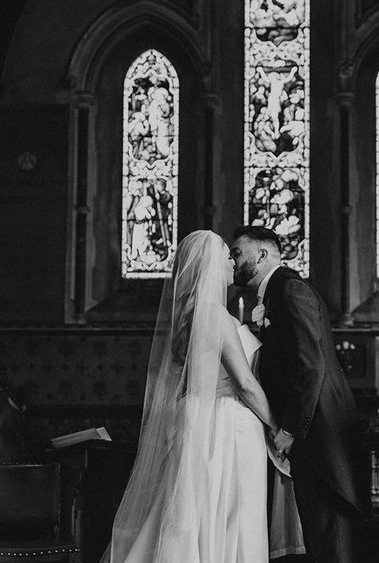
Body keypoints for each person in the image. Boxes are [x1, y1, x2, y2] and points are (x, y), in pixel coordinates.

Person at [102, 230, 279, 562]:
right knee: (228, 516)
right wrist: (277, 425)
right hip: (225, 426)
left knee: (190, 512)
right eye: (228, 255)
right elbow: (244, 383)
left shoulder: (184, 315)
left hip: (190, 419)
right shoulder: (216, 316)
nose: (232, 261)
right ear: (209, 265)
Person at [230, 225, 366, 563]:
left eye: (237, 253)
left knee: (329, 537)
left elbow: (310, 365)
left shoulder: (289, 289)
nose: (232, 262)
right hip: (312, 435)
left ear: (261, 255)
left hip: (319, 435)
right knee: (321, 538)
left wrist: (290, 429)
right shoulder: (275, 292)